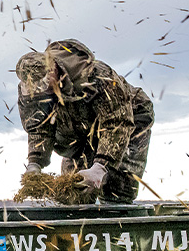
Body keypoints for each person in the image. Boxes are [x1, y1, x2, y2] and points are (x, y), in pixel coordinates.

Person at [16, 39, 154, 204]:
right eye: (37, 88)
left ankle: (117, 218)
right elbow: (39, 127)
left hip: (128, 117)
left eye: (45, 83)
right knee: (74, 191)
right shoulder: (31, 90)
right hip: (79, 129)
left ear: (53, 69)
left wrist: (100, 168)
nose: (43, 90)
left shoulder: (97, 76)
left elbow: (117, 122)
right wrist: (35, 162)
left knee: (116, 189)